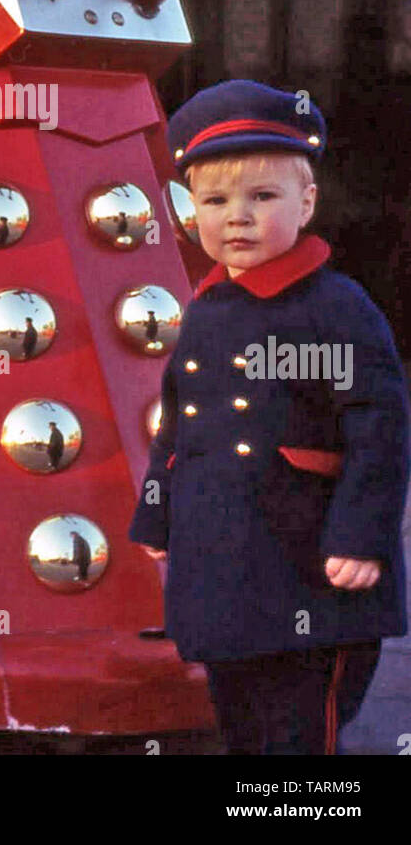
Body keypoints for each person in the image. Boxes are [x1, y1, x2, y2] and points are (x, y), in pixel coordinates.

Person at [128, 78, 411, 755]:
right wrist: (157, 511)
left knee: (297, 734)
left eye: (262, 197)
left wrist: (360, 536)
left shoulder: (332, 309)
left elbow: (378, 427)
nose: (237, 217)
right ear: (190, 209)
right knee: (241, 723)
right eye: (215, 200)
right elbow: (179, 421)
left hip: (313, 569)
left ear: (305, 202)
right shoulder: (206, 306)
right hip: (225, 573)